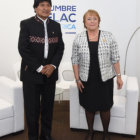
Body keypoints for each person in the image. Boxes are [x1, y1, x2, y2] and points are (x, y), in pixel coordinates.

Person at [71, 9, 123, 140]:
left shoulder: (109, 36)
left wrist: (119, 76)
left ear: (99, 21)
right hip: (86, 79)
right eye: (89, 19)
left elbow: (115, 58)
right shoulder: (78, 38)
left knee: (105, 107)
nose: (92, 21)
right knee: (89, 107)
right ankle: (90, 132)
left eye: (95, 18)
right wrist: (77, 79)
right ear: (84, 22)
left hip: (104, 79)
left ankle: (106, 133)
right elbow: (75, 60)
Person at [18, 0, 64, 140]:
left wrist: (53, 66)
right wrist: (39, 67)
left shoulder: (56, 25)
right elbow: (23, 49)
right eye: (42, 5)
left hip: (50, 74)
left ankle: (46, 135)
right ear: (35, 8)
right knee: (32, 110)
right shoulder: (26, 24)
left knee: (48, 108)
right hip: (31, 73)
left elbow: (60, 48)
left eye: (48, 5)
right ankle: (33, 137)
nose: (46, 8)